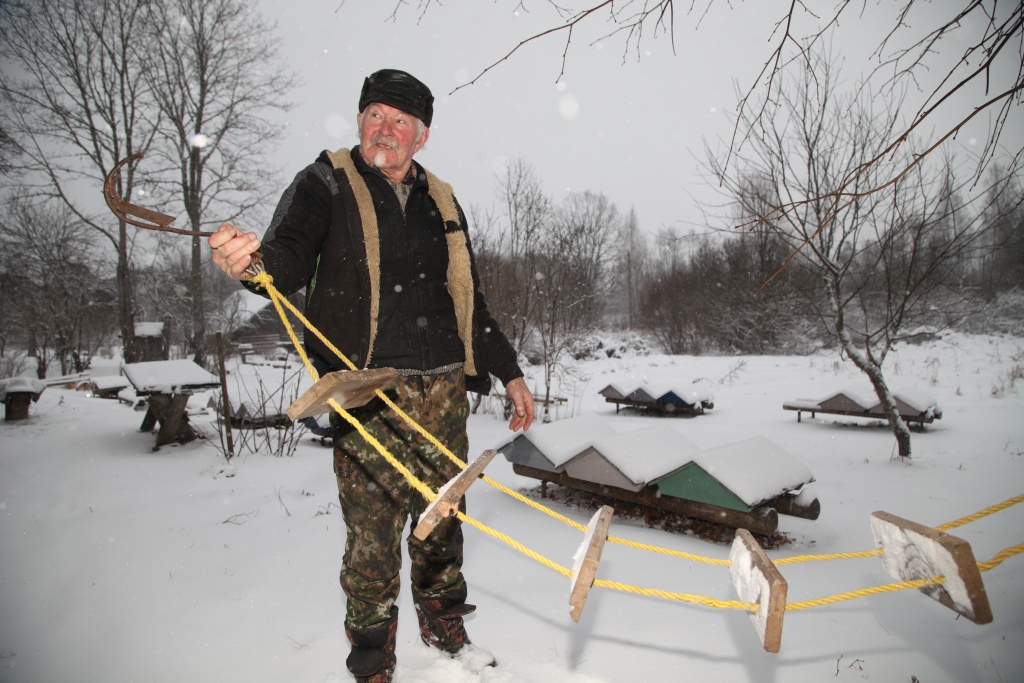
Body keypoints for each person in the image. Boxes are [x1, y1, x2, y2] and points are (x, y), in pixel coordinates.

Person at [209, 69, 534, 683]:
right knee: (372, 534)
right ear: (360, 120)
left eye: (400, 120)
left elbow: (469, 300)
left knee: (444, 520)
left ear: (421, 136)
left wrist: (509, 372)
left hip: (443, 389)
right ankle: (371, 657)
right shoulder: (324, 183)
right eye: (375, 115)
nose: (385, 129)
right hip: (368, 393)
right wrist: (249, 263)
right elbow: (284, 259)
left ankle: (443, 624)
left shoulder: (442, 199)